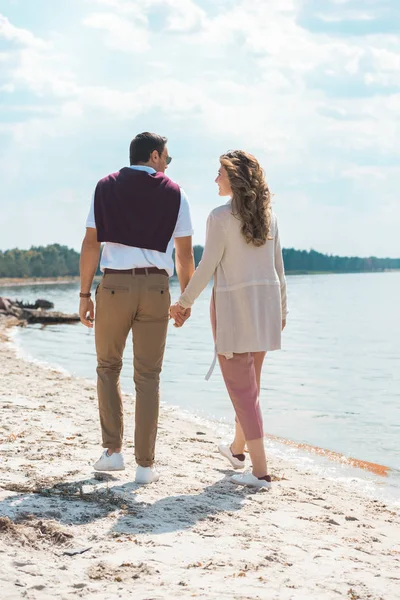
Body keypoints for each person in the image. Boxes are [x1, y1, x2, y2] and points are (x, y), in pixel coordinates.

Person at [79, 132, 194, 484]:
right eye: (167, 158)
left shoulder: (104, 186)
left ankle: (113, 453)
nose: (168, 165)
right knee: (148, 376)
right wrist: (185, 300)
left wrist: (84, 294)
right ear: (155, 156)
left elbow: (90, 244)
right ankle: (145, 466)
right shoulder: (175, 192)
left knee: (108, 367)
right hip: (156, 288)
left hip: (114, 286)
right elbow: (185, 254)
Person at [171, 150, 287, 489]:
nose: (215, 179)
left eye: (220, 173)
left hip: (235, 310)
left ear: (235, 178)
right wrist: (282, 309)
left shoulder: (220, 217)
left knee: (243, 390)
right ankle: (237, 451)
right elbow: (279, 270)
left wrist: (182, 303)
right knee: (250, 388)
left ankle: (261, 472)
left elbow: (206, 267)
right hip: (265, 307)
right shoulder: (270, 216)